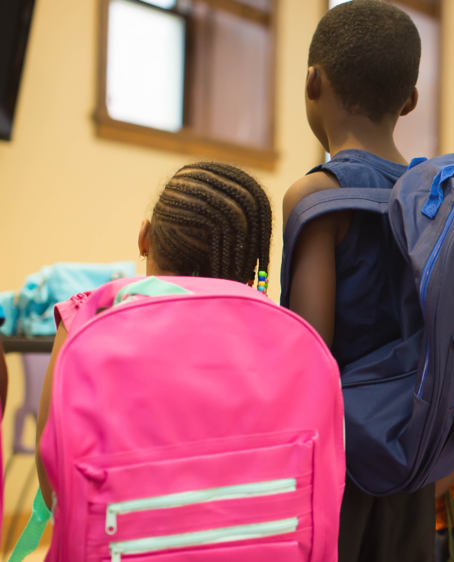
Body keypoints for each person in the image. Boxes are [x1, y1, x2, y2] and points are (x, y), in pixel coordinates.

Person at [281, 2, 433, 561]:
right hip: (411, 456)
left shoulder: (319, 194)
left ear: (312, 82)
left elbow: (310, 350)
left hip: (339, 464)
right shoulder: (433, 194)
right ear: (409, 100)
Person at [35, 161, 273, 508]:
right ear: (248, 269)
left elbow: (51, 478)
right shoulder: (269, 333)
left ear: (144, 237)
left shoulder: (89, 317)